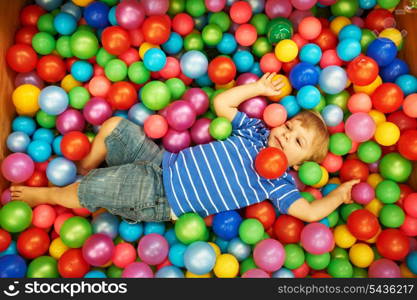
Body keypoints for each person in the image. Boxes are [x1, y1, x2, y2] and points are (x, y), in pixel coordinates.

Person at [10, 72, 359, 223]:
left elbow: (310, 213)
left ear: (299, 166)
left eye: (297, 141)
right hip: (164, 160)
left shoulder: (277, 183)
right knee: (115, 127)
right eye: (288, 125)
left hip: (162, 196)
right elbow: (223, 104)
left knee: (96, 189)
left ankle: (51, 195)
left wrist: (340, 195)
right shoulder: (254, 131)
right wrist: (258, 90)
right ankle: (86, 164)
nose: (284, 134)